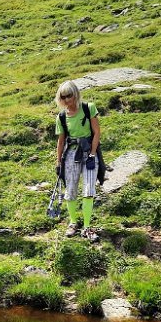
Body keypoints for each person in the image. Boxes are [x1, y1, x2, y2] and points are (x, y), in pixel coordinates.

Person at [54, 80, 101, 242]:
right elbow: (61, 141)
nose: (67, 99)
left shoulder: (89, 108)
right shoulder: (61, 117)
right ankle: (73, 223)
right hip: (71, 155)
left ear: (76, 94)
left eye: (69, 95)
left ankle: (87, 227)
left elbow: (96, 133)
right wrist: (58, 163)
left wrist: (93, 154)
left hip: (89, 152)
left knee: (89, 190)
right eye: (63, 96)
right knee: (71, 190)